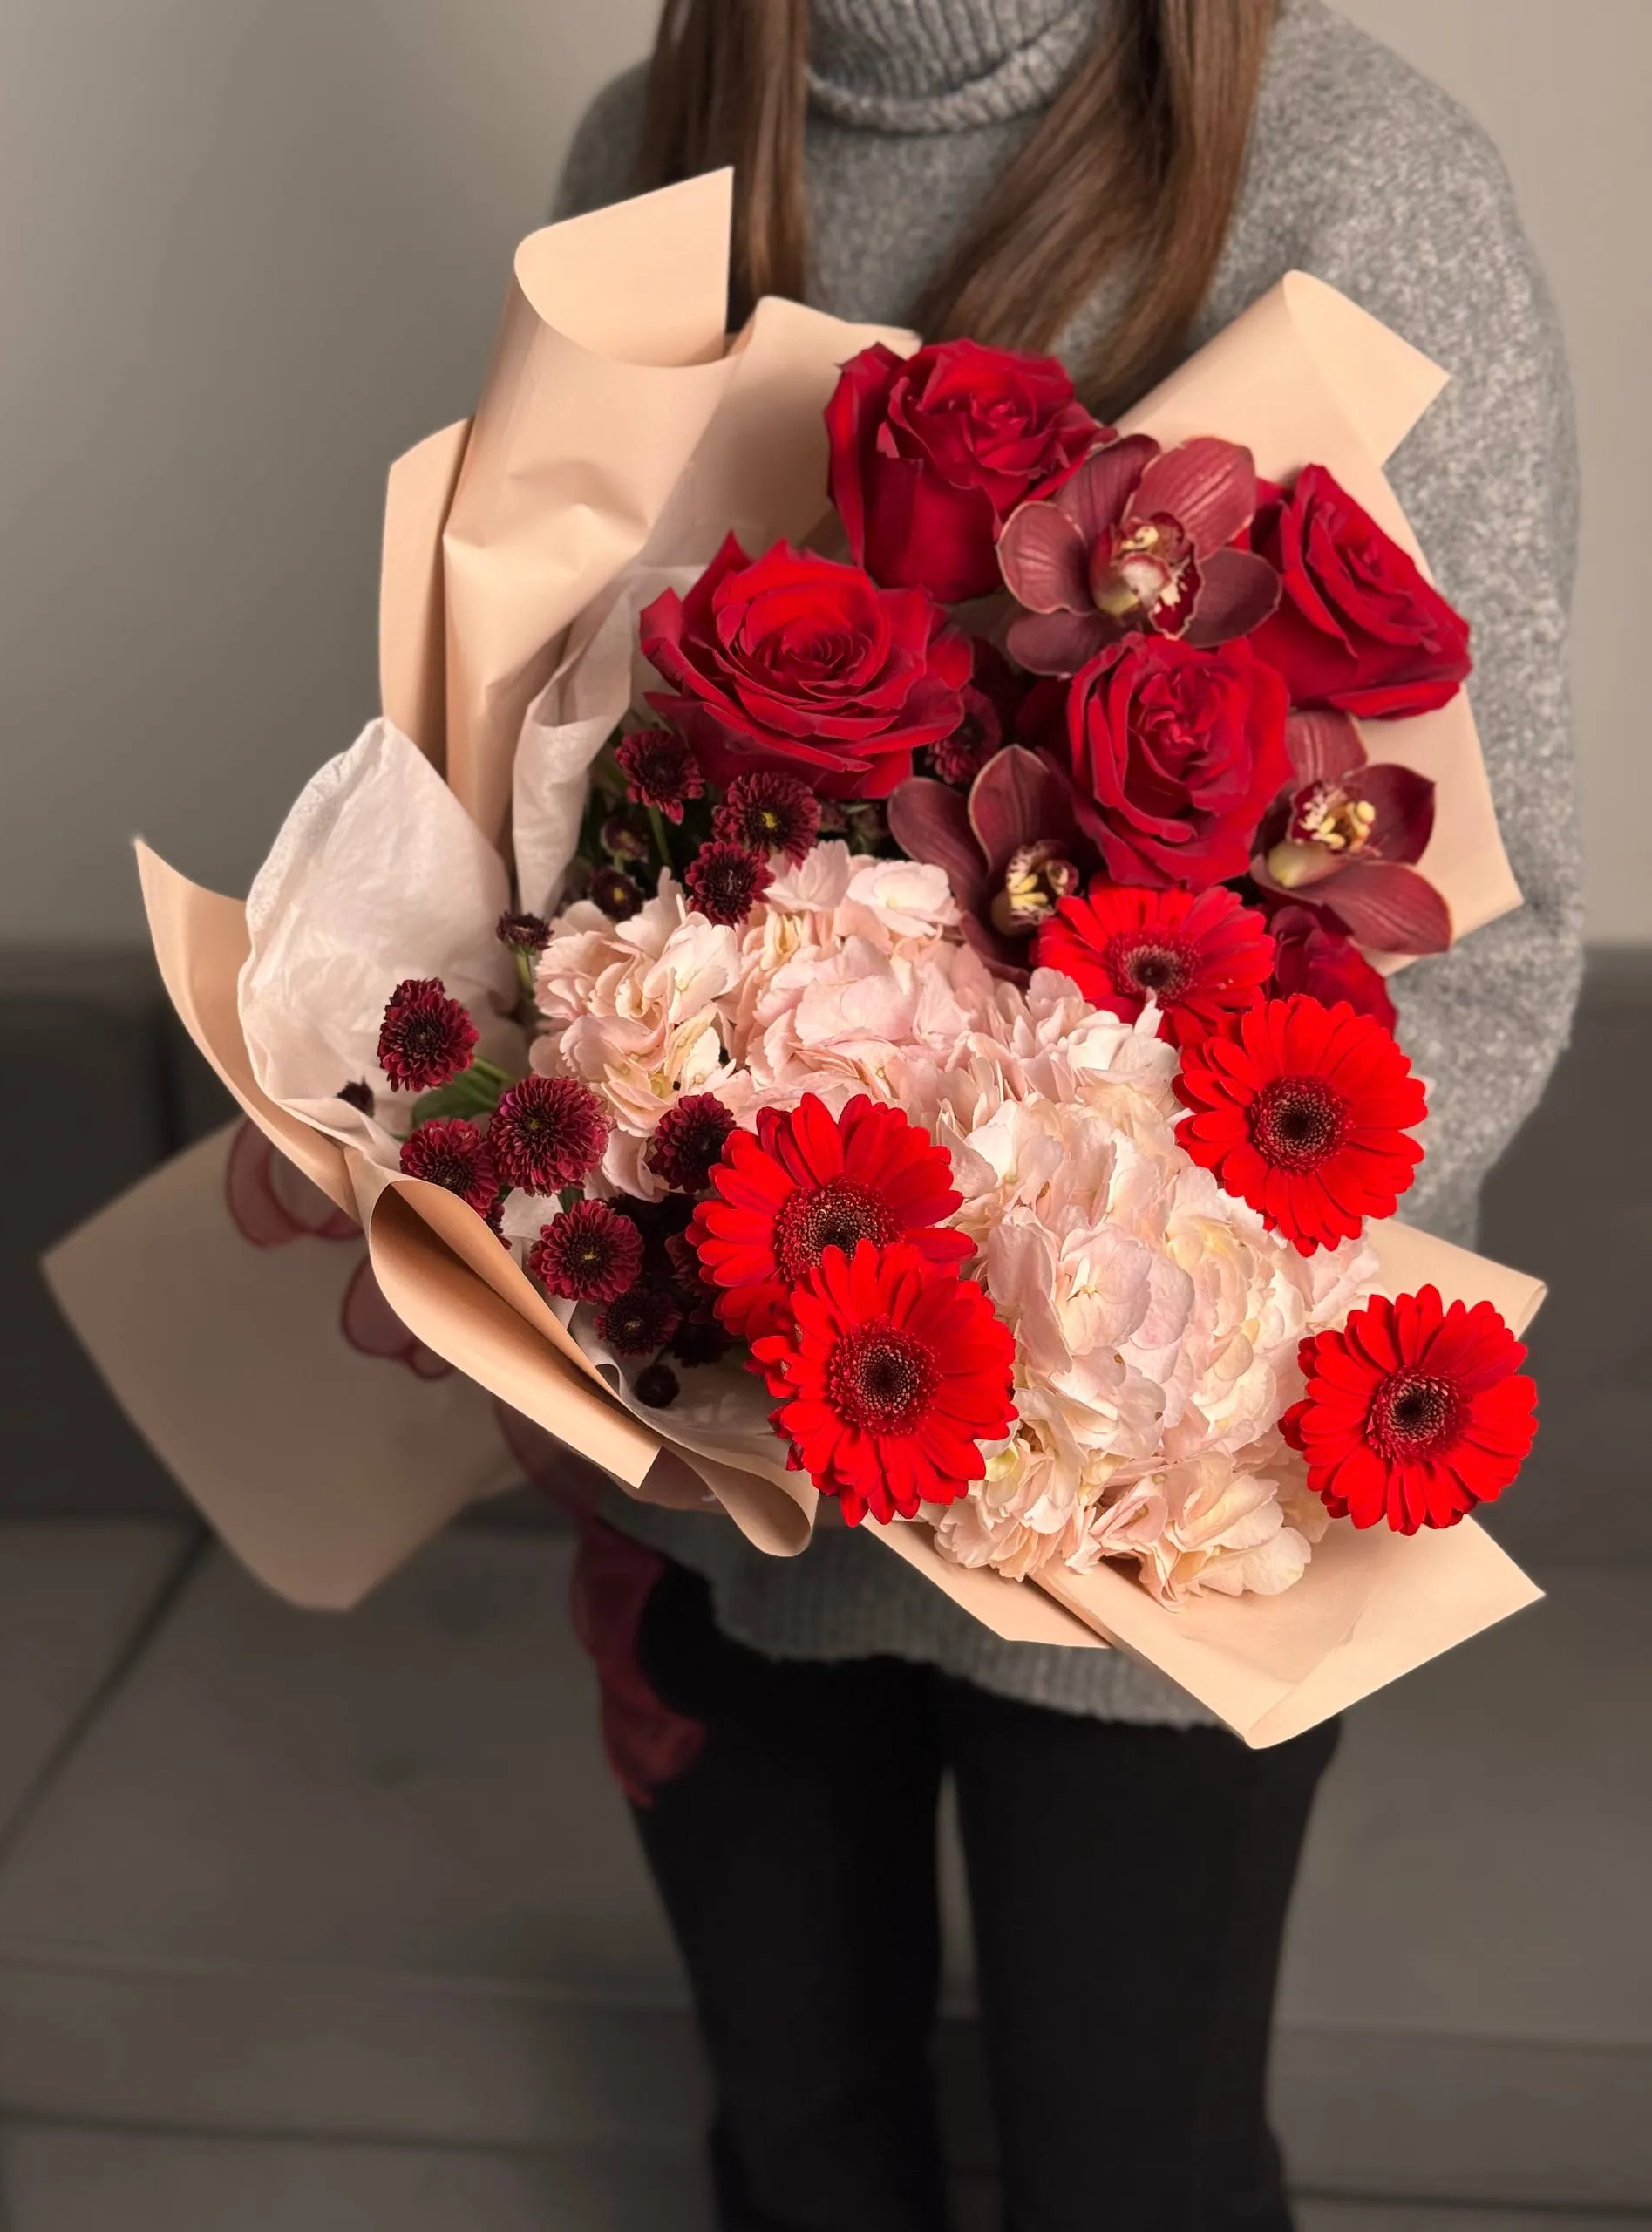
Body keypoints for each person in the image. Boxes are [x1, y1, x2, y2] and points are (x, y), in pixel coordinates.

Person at [553, 4, 1583, 2227]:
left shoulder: (1358, 174)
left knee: (1137, 2176)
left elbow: (1492, 953)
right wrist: (584, 1394)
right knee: (799, 2153)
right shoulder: (651, 146)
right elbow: (536, 834)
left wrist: (1101, 1347)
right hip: (737, 1447)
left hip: (1148, 1486)